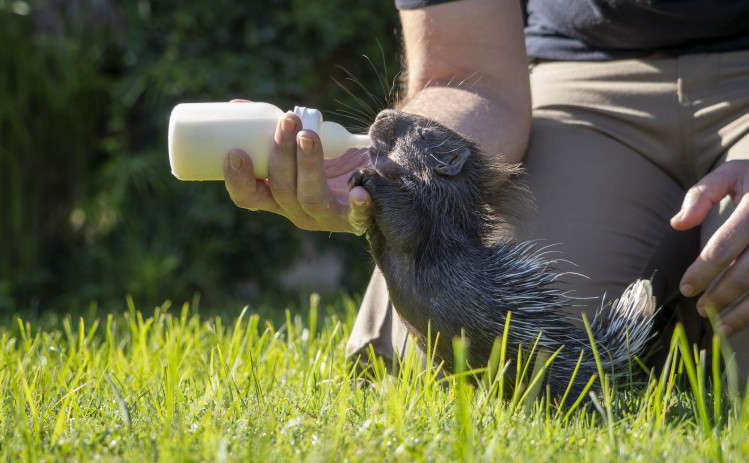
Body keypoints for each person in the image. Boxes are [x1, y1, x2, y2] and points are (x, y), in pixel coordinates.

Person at [224, 0, 749, 380]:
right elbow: (460, 72)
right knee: (487, 362)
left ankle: (691, 326)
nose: (386, 118)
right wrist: (388, 178)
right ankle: (677, 326)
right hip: (582, 75)